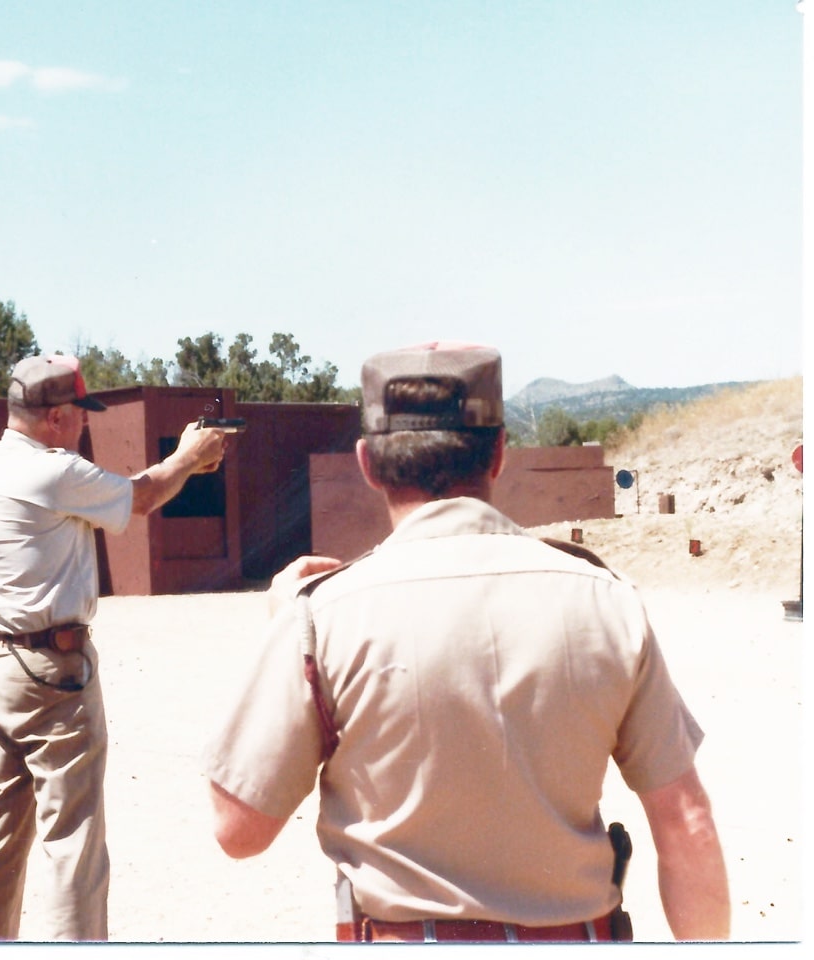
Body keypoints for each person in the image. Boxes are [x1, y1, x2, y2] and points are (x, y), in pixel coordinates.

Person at [204, 341, 730, 943]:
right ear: (500, 453)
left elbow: (237, 830)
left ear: (367, 463)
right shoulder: (604, 598)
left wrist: (280, 631)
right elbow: (687, 822)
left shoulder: (325, 615)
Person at [0, 354, 228, 941]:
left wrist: (183, 467)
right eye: (79, 414)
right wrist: (188, 456)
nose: (85, 425)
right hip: (50, 671)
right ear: (55, 416)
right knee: (72, 844)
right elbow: (142, 496)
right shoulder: (50, 470)